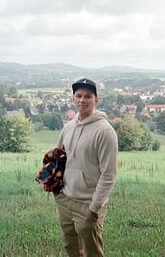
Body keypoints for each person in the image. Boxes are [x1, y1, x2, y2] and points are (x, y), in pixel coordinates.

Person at [54, 78, 118, 257]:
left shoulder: (105, 132)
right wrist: (57, 192)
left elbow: (109, 175)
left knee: (92, 253)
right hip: (66, 199)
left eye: (88, 96)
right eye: (79, 96)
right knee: (71, 248)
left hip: (88, 204)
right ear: (73, 98)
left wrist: (95, 207)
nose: (82, 100)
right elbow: (57, 159)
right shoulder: (68, 127)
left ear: (96, 100)